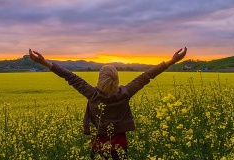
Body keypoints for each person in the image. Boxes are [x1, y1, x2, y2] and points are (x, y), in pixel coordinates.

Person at [29, 47, 187, 159]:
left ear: (100, 79)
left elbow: (69, 76)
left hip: (98, 146)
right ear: (116, 79)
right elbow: (146, 76)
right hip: (120, 146)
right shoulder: (125, 93)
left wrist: (43, 62)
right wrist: (172, 61)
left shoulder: (92, 95)